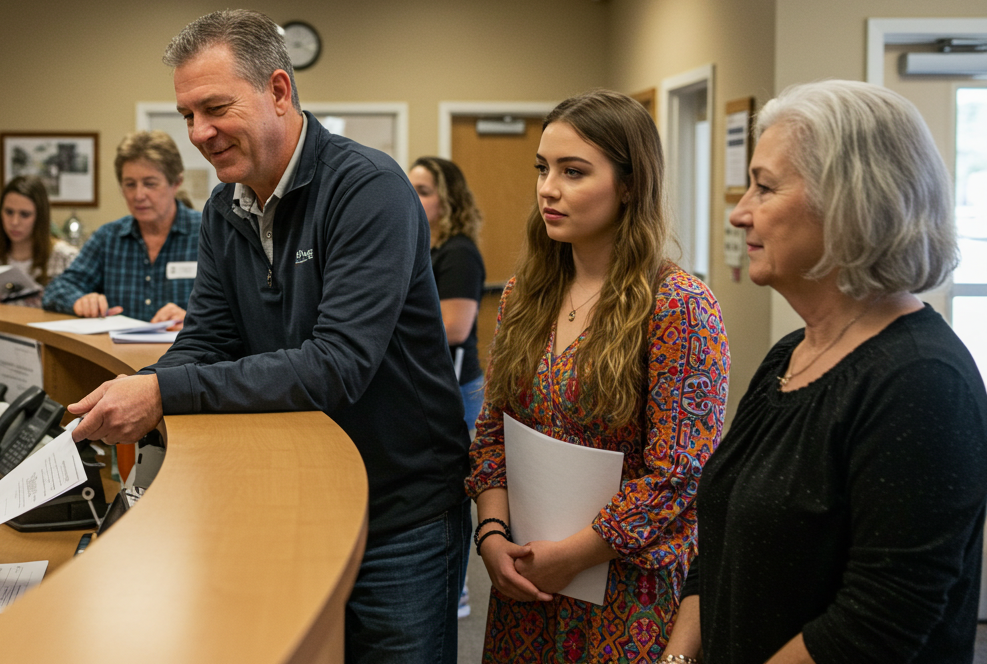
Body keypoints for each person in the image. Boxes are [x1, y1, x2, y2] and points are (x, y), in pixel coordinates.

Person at [65, 9, 472, 663]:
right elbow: (208, 335)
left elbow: (336, 365)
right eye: (187, 115)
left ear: (279, 91)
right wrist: (144, 387)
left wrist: (165, 394)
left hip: (401, 508)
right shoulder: (228, 207)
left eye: (215, 108)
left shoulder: (368, 190)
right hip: (298, 497)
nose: (199, 133)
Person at [660, 80, 987, 664]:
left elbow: (877, 623)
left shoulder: (921, 382)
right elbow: (721, 545)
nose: (739, 213)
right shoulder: (789, 355)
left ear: (850, 201)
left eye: (764, 188)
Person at [467, 89, 729, 663]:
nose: (548, 188)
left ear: (631, 185)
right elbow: (492, 434)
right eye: (543, 168)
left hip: (625, 591)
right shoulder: (524, 295)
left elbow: (677, 477)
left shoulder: (678, 306)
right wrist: (490, 538)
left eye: (573, 171)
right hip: (528, 578)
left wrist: (575, 554)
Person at [41, 130, 200, 326]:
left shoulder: (207, 233)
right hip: (117, 354)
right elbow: (57, 289)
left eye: (150, 184)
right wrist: (80, 301)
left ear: (176, 183)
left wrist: (194, 320)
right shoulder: (108, 238)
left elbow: (236, 307)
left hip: (186, 353)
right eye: (129, 184)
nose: (138, 195)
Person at [409, 156, 487, 431]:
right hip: (431, 380)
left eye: (424, 191)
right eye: (410, 188)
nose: (412, 197)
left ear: (448, 200)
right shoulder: (425, 248)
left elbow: (455, 329)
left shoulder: (459, 252)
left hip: (457, 385)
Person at [0, 175, 80, 307]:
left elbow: (78, 308)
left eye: (25, 214)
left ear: (40, 216)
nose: (14, 222)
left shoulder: (66, 258)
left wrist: (48, 302)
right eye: (9, 212)